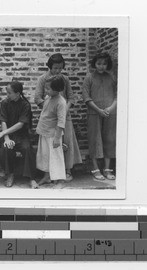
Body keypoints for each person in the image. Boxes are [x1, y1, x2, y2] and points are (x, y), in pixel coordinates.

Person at [34, 53, 82, 181]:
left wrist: (64, 110)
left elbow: (71, 97)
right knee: (52, 146)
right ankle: (50, 173)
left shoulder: (64, 79)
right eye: (55, 68)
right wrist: (50, 108)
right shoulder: (43, 79)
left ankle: (67, 170)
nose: (57, 71)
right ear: (50, 66)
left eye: (60, 68)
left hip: (64, 115)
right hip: (50, 117)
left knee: (66, 142)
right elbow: (37, 98)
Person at [0, 81, 38, 189]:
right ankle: (10, 174)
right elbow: (3, 121)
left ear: (18, 93)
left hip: (22, 136)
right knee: (5, 149)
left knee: (27, 149)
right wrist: (6, 138)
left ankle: (32, 178)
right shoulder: (5, 103)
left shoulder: (25, 105)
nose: (7, 95)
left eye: (9, 93)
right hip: (8, 135)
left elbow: (20, 124)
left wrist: (2, 133)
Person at [82, 52, 117, 180]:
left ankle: (108, 168)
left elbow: (117, 96)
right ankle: (95, 167)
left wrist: (111, 108)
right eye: (99, 63)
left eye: (104, 64)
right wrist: (98, 110)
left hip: (110, 113)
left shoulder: (112, 77)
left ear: (107, 64)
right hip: (94, 113)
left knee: (110, 139)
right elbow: (86, 97)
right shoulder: (89, 78)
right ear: (94, 64)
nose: (101, 66)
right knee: (94, 139)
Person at [36, 75, 67, 185]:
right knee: (45, 156)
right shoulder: (48, 98)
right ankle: (47, 176)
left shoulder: (61, 102)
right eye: (45, 88)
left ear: (57, 89)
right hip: (44, 132)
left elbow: (61, 122)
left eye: (48, 89)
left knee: (56, 157)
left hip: (54, 135)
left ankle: (60, 180)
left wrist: (57, 138)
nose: (45, 90)